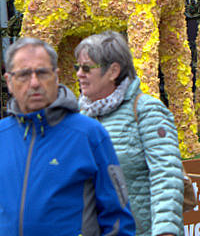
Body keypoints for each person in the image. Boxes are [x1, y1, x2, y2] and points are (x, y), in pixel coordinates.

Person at [0, 36, 135, 236]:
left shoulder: (89, 134)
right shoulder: (3, 135)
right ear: (9, 82)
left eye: (42, 73)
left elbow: (118, 220)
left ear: (56, 76)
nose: (34, 83)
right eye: (24, 75)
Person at [76, 30, 184, 236]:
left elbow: (167, 175)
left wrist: (165, 231)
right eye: (78, 67)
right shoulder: (81, 118)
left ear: (113, 71)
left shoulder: (147, 110)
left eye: (87, 68)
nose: (79, 74)